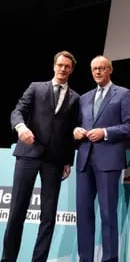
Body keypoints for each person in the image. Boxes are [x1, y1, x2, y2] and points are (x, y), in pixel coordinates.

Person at [1, 50, 80, 262]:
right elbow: (18, 110)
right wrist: (20, 127)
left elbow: (71, 131)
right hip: (28, 154)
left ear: (71, 70)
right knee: (17, 209)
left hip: (54, 160)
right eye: (60, 65)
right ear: (54, 66)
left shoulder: (75, 98)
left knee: (48, 215)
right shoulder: (36, 87)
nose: (63, 69)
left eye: (67, 66)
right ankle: (8, 259)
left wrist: (67, 161)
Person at [73, 55, 130, 262]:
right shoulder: (83, 98)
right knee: (83, 214)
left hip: (108, 160)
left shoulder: (123, 94)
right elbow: (75, 124)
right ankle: (86, 259)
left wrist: (105, 132)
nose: (98, 72)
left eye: (102, 68)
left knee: (108, 214)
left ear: (110, 70)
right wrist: (75, 130)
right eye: (94, 69)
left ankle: (110, 259)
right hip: (84, 160)